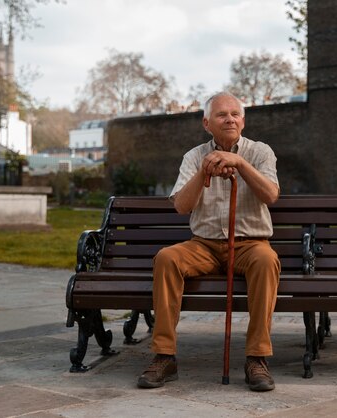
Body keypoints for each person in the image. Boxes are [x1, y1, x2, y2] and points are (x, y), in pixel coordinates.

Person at [137, 92, 281, 392]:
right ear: (207, 123)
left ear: (242, 120)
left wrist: (239, 163)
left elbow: (270, 195)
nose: (229, 118)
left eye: (235, 114)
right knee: (167, 258)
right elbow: (181, 206)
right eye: (221, 115)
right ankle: (165, 355)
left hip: (250, 244)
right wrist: (204, 169)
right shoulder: (193, 156)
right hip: (203, 245)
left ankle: (257, 359)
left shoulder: (261, 152)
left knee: (267, 261)